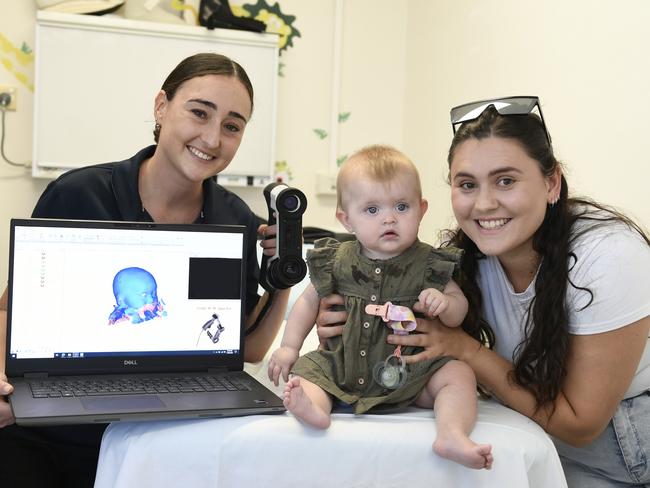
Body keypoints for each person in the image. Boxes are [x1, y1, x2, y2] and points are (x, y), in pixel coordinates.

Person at [316, 97, 650, 486]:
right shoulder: (463, 259)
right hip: (522, 438)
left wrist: (464, 348)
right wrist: (349, 322)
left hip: (620, 459)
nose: (485, 203)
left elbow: (581, 424)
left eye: (505, 181)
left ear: (551, 182)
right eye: (467, 185)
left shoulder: (608, 256)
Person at [0, 52, 290, 487]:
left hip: (175, 437)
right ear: (161, 107)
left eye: (232, 126)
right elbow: (10, 314)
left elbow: (246, 348)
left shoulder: (234, 219)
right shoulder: (78, 194)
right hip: (59, 436)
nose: (212, 139)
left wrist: (280, 275)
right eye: (199, 113)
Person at [268, 145, 494, 470]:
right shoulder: (337, 260)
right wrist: (289, 348)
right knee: (308, 371)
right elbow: (307, 301)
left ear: (422, 209)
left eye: (402, 206)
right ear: (346, 220)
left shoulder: (430, 264)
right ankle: (315, 408)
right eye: (372, 210)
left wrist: (445, 304)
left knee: (458, 374)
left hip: (410, 373)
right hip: (341, 365)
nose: (389, 218)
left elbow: (459, 309)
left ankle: (451, 433)